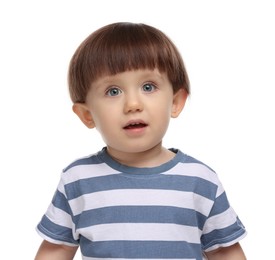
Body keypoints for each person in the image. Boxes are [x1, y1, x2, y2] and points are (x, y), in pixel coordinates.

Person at [35, 22, 247, 260]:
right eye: (113, 91)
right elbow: (57, 249)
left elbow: (225, 251)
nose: (133, 104)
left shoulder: (200, 180)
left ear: (176, 102)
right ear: (87, 115)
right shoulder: (78, 180)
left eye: (148, 86)